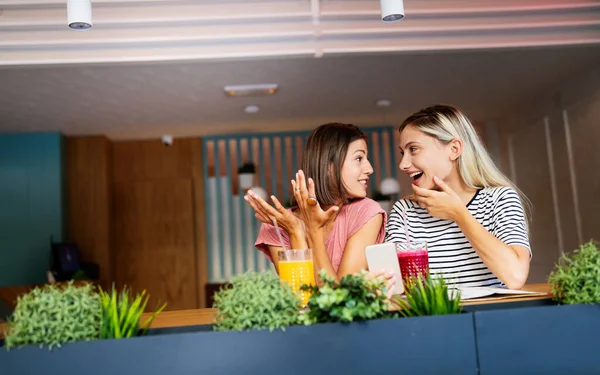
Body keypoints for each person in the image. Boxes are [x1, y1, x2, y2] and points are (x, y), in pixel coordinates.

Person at [385, 104, 532, 289]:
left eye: (413, 149)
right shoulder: (405, 211)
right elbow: (393, 286)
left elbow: (515, 276)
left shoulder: (499, 199)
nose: (403, 164)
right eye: (402, 152)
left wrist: (459, 214)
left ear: (454, 149)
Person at [244, 123, 390, 286]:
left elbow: (339, 299)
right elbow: (301, 294)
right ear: (329, 166)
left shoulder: (366, 213)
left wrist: (313, 231)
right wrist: (295, 231)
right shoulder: (278, 225)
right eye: (358, 158)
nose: (369, 168)